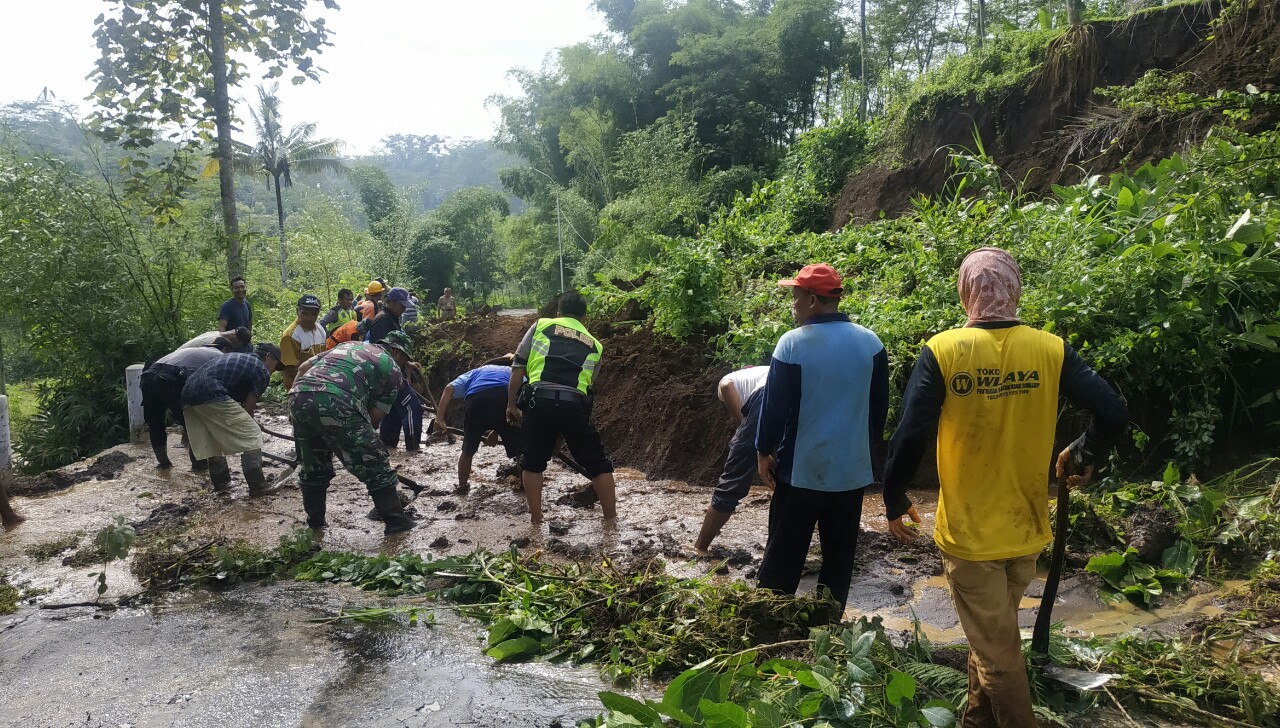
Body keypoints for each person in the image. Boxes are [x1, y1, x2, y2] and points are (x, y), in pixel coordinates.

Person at [883, 248, 1128, 728]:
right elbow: (1114, 412)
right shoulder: (1050, 349)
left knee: (998, 654)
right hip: (1027, 530)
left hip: (972, 537)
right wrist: (1083, 452)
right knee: (992, 638)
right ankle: (976, 720)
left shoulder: (944, 350)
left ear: (966, 292)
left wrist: (893, 496)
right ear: (1015, 289)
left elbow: (910, 433)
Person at [755, 263, 888, 615]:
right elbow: (878, 411)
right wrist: (863, 454)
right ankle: (828, 625)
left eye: (796, 296)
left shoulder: (793, 344)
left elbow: (775, 409)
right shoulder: (871, 343)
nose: (792, 304)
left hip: (802, 472)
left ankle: (770, 621)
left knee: (783, 554)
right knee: (839, 557)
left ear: (813, 300)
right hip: (850, 474)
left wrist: (763, 451)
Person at [289, 330, 419, 535]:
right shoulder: (393, 370)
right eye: (404, 359)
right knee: (375, 461)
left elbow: (304, 367)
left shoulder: (348, 346)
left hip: (299, 396)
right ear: (397, 352)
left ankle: (316, 526)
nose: (403, 363)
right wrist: (346, 441)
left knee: (314, 467)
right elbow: (374, 421)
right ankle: (396, 522)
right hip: (338, 399)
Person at [506, 291, 617, 525]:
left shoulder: (541, 326)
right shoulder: (595, 345)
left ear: (558, 312)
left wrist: (511, 404)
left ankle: (536, 520)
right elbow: (587, 386)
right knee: (598, 463)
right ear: (584, 318)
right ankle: (611, 520)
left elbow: (518, 367)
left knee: (533, 462)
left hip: (539, 401)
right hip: (574, 405)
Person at [181, 343, 283, 495]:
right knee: (251, 433)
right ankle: (258, 486)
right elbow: (249, 408)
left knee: (211, 437)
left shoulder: (239, 358)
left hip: (187, 393)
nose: (274, 371)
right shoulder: (261, 370)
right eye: (275, 365)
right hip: (211, 391)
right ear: (268, 357)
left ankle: (221, 484)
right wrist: (254, 424)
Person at [692, 362, 770, 553]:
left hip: (765, 398)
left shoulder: (729, 380)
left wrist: (741, 425)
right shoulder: (761, 371)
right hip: (795, 394)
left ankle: (699, 548)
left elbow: (726, 388)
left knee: (733, 480)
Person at [435, 357, 521, 494]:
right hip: (504, 397)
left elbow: (449, 388)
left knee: (467, 451)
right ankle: (524, 485)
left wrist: (440, 419)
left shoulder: (477, 371)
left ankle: (462, 487)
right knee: (520, 450)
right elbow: (522, 396)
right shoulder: (514, 372)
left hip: (476, 400)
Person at [141, 342, 225, 470]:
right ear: (226, 349)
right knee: (194, 422)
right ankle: (199, 465)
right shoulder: (221, 356)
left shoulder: (193, 350)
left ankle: (163, 463)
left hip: (148, 375)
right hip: (170, 378)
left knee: (155, 423)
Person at [367, 287, 424, 452]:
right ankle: (414, 451)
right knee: (412, 407)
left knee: (392, 411)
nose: (404, 308)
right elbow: (385, 350)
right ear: (390, 302)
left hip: (391, 371)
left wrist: (407, 363)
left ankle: (388, 446)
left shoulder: (393, 317)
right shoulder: (383, 320)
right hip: (387, 374)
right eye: (401, 305)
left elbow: (396, 350)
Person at [280, 294, 327, 390]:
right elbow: (290, 369)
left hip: (317, 383)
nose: (308, 318)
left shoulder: (320, 330)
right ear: (298, 311)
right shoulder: (291, 335)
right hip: (297, 386)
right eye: (304, 313)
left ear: (318, 313)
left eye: (313, 314)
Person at [181, 327, 250, 353]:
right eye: (238, 345)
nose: (236, 347)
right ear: (236, 340)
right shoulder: (215, 344)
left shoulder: (214, 333)